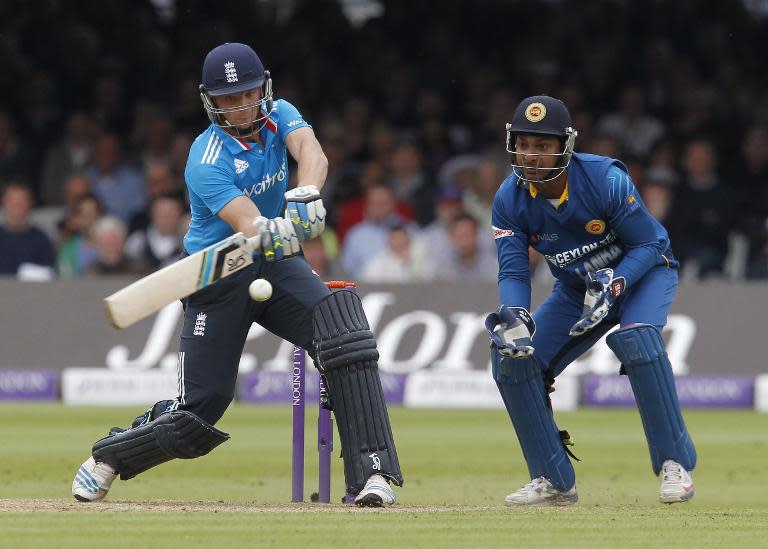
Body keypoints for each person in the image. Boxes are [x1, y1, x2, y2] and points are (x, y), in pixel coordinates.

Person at [71, 42, 403, 507]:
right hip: (219, 274)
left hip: (278, 262)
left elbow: (310, 149)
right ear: (210, 101)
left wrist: (305, 192)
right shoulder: (205, 159)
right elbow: (247, 221)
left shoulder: (281, 113)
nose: (240, 106)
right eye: (227, 99)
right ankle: (109, 456)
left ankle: (373, 477)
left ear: (263, 88)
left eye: (247, 93)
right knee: (198, 412)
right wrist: (274, 225)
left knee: (344, 336)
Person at [484, 96, 696, 506]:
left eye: (542, 146)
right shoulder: (509, 199)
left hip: (645, 272)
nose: (531, 155)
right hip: (577, 289)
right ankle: (553, 478)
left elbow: (651, 242)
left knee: (637, 339)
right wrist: (516, 316)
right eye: (525, 144)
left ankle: (675, 464)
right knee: (511, 359)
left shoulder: (606, 179)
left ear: (564, 146)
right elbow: (513, 272)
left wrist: (616, 283)